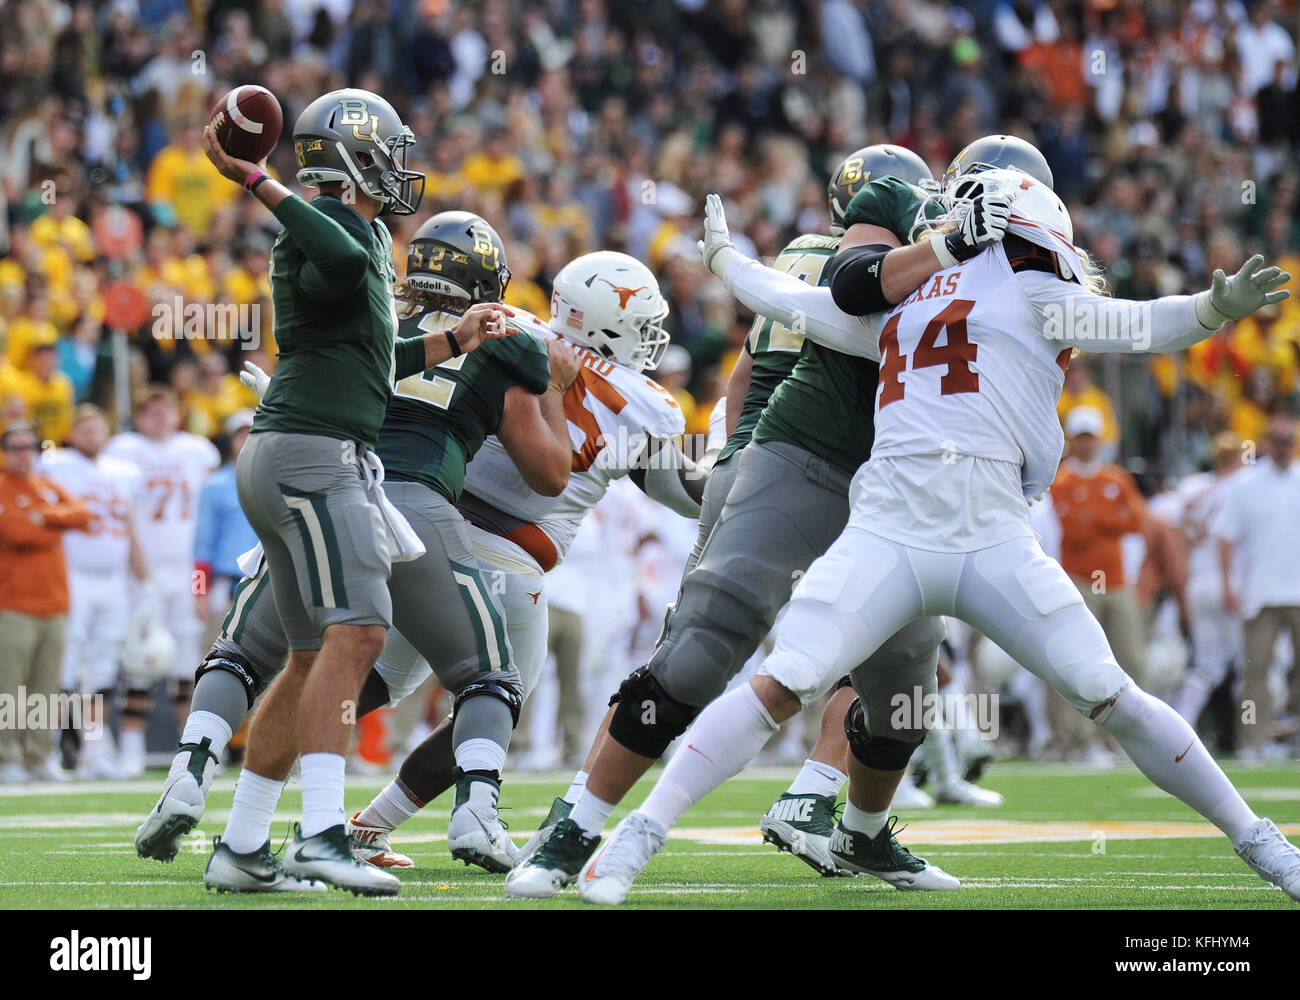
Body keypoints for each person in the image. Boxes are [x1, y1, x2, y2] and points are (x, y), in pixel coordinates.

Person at [570, 154, 1300, 905]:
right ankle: (1262, 843)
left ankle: (637, 838)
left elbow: (797, 303)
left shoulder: (904, 300)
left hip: (891, 533)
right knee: (1109, 693)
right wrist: (1213, 311)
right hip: (987, 538)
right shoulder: (1041, 293)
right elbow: (1143, 326)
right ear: (1040, 226)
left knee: (782, 682)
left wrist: (727, 259)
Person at [506, 143, 1003, 899]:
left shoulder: (1012, 272)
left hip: (897, 486)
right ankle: (575, 826)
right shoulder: (902, 225)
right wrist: (745, 456)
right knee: (698, 653)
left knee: (904, 686)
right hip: (804, 455)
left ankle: (863, 833)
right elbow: (846, 294)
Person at [135, 212, 570, 889]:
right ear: (486, 279)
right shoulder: (503, 343)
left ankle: (193, 771)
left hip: (316, 485)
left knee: (248, 656)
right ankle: (475, 810)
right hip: (417, 506)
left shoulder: (362, 319)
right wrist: (558, 392)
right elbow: (549, 473)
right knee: (487, 676)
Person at [193, 90, 515, 896]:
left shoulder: (355, 231)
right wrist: (257, 181)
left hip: (297, 451)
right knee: (360, 636)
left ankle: (240, 845)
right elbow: (335, 255)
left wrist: (452, 338)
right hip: (312, 454)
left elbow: (376, 361)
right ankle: (323, 832)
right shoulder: (338, 227)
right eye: (390, 149)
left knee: (309, 657)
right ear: (352, 154)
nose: (402, 166)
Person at [348, 250, 711, 866]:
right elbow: (680, 492)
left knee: (384, 677)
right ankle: (473, 815)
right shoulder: (647, 405)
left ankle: (318, 796)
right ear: (608, 323)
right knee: (495, 694)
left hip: (423, 527)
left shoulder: (506, 327)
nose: (650, 339)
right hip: (510, 558)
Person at [105, 386, 220, 773]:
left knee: (191, 661)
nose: (159, 417)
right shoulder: (123, 451)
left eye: (165, 410)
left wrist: (201, 580)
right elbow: (122, 515)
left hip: (191, 574)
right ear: (138, 417)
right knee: (140, 658)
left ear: (177, 414)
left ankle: (191, 747)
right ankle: (132, 748)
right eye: (150, 411)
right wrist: (138, 568)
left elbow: (206, 519)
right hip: (144, 574)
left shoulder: (196, 450)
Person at [42, 405, 149, 777]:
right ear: (72, 432)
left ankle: (94, 747)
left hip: (113, 579)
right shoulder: (55, 464)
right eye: (83, 428)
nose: (90, 435)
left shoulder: (122, 472)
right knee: (66, 664)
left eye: (96, 428)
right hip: (72, 575)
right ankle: (53, 747)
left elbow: (130, 526)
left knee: (104, 667)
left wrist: (144, 580)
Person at [1046, 404, 1148, 756]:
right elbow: (1073, 529)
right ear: (1072, 440)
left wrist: (1095, 519)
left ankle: (1125, 737)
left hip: (1116, 579)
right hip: (1078, 578)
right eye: (1081, 438)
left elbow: (1136, 522)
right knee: (1079, 658)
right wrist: (1108, 520)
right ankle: (1079, 740)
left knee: (1131, 658)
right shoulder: (1060, 480)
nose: (1087, 444)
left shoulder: (1117, 478)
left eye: (1091, 437)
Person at [0, 422, 91, 782]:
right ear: (5, 453)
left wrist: (46, 518)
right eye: (17, 448)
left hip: (55, 604)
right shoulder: (4, 488)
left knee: (44, 690)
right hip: (14, 604)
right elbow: (17, 532)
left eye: (30, 448)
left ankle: (38, 758)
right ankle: (8, 757)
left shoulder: (46, 486)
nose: (24, 455)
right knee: (12, 689)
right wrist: (52, 525)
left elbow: (82, 514)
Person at [1213, 415, 1300, 757]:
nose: (1284, 447)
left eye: (1289, 440)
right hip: (1260, 591)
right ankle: (1252, 741)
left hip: (1297, 591)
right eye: (1278, 441)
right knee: (1255, 672)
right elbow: (1225, 537)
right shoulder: (1245, 484)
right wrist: (1228, 583)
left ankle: (1290, 738)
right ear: (1266, 443)